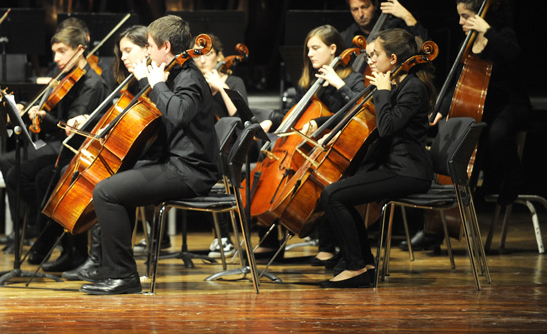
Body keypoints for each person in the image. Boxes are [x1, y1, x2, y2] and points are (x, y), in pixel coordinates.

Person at [80, 15, 219, 295]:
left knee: (106, 192)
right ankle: (113, 271)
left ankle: (123, 276)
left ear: (165, 47)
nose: (147, 52)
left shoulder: (189, 77)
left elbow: (178, 114)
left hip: (191, 171)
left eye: (150, 46)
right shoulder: (176, 72)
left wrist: (155, 83)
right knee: (115, 182)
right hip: (176, 163)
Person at [402, 0, 532, 250]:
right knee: (451, 152)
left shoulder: (502, 35)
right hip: (480, 109)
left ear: (482, 15)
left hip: (510, 105)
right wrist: (442, 106)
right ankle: (434, 231)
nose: (461, 22)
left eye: (466, 16)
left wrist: (488, 30)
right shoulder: (469, 42)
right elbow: (461, 81)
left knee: (496, 135)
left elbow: (515, 55)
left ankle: (513, 176)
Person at [318, 28, 436, 288]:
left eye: (375, 54)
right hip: (393, 167)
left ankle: (356, 267)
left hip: (409, 172)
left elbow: (387, 126)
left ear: (393, 59)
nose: (369, 60)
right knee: (338, 194)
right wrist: (320, 123)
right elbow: (361, 117)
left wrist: (382, 91)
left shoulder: (413, 87)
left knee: (333, 195)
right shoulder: (395, 83)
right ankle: (363, 263)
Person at [3, 26, 107, 271]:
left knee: (43, 179)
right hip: (64, 150)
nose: (56, 58)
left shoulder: (92, 84)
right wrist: (26, 114)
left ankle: (70, 247)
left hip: (82, 154)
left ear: (80, 50)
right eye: (54, 52)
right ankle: (50, 227)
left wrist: (45, 118)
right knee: (18, 174)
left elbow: (72, 132)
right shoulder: (64, 78)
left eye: (62, 51)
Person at [256, 25, 364, 258]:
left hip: (338, 150)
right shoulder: (308, 81)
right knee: (262, 168)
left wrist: (339, 84)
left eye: (315, 48)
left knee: (322, 181)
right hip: (308, 150)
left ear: (333, 49)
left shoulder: (353, 79)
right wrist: (273, 121)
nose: (310, 54)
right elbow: (293, 112)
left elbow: (358, 111)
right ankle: (270, 239)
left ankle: (326, 245)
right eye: (308, 49)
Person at [62, 24, 152, 281]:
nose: (123, 57)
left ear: (147, 49)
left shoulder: (153, 80)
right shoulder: (135, 82)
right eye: (120, 52)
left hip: (151, 156)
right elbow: (120, 114)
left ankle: (100, 261)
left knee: (105, 185)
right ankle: (91, 257)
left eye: (128, 50)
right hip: (134, 152)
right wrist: (88, 118)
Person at [192, 33, 249, 258]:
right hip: (204, 145)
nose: (202, 59)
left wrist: (220, 87)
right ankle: (220, 235)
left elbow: (240, 115)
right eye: (198, 55)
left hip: (231, 146)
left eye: (207, 54)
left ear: (218, 55)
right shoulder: (195, 82)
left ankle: (224, 237)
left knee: (213, 166)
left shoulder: (234, 82)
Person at [340, 0, 429, 52]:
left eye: (365, 7)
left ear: (375, 4)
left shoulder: (395, 28)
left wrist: (407, 16)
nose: (360, 14)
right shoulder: (346, 38)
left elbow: (425, 48)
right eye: (355, 9)